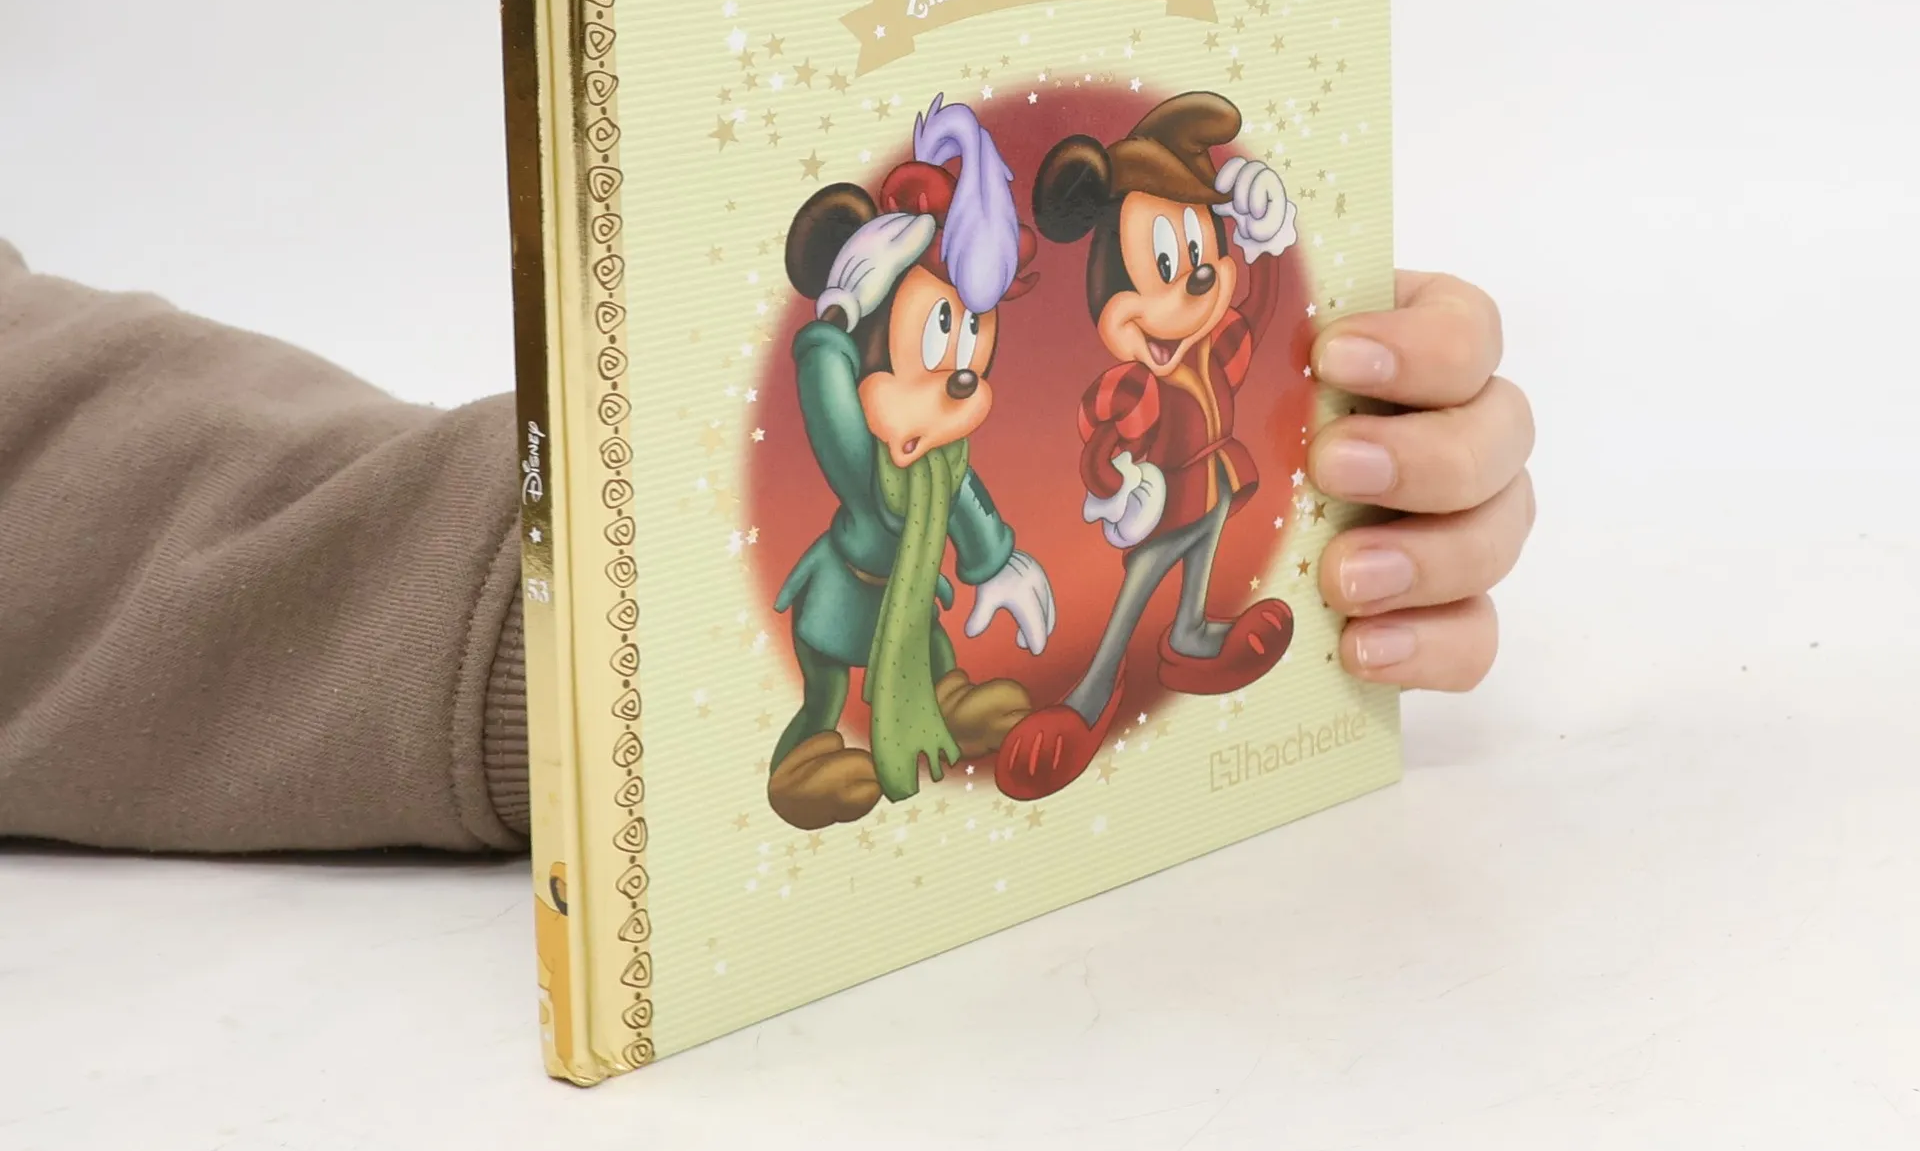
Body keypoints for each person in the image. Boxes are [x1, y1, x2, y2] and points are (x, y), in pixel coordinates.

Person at [0, 237, 1534, 854]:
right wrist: (613, 620)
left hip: (897, 605)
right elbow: (836, 424)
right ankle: (825, 732)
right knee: (839, 673)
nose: (959, 378)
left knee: (992, 635)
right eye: (930, 351)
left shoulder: (954, 442)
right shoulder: (850, 411)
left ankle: (969, 690)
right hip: (838, 598)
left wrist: (1297, 427)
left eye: (971, 354)